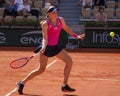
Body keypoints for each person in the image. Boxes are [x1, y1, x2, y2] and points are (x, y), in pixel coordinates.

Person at [16, 6, 85, 95]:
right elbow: (45, 38)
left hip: (55, 47)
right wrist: (44, 47)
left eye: (56, 12)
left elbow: (67, 29)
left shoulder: (61, 20)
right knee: (41, 69)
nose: (56, 14)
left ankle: (64, 85)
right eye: (54, 13)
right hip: (47, 48)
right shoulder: (45, 24)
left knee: (69, 61)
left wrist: (76, 36)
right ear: (49, 14)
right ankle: (21, 83)